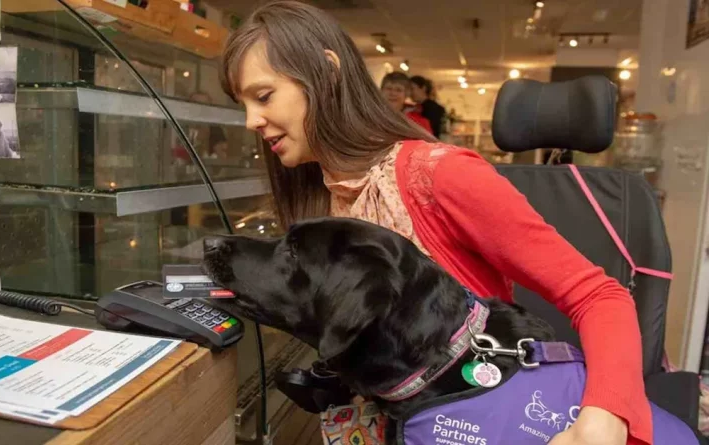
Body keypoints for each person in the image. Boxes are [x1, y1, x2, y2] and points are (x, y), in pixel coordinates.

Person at [219, 2, 651, 444]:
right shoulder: (323, 194)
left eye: (264, 96)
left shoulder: (440, 175)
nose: (252, 121)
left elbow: (598, 295)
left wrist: (602, 421)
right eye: (244, 105)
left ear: (326, 72)